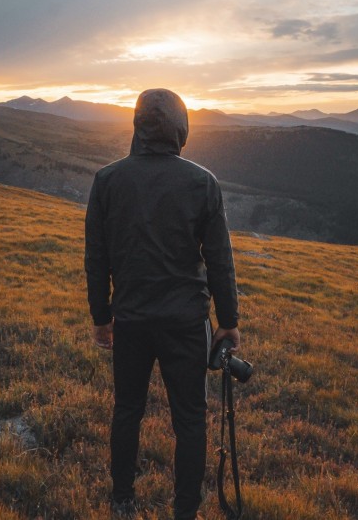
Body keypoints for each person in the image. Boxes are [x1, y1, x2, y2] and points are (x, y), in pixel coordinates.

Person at [85, 88, 240, 519]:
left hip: (131, 319)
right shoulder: (201, 182)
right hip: (186, 323)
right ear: (181, 128)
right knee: (190, 419)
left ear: (137, 125)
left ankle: (122, 500)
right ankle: (184, 511)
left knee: (127, 409)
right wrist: (227, 322)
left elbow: (96, 256)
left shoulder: (108, 180)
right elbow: (219, 261)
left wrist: (102, 317)